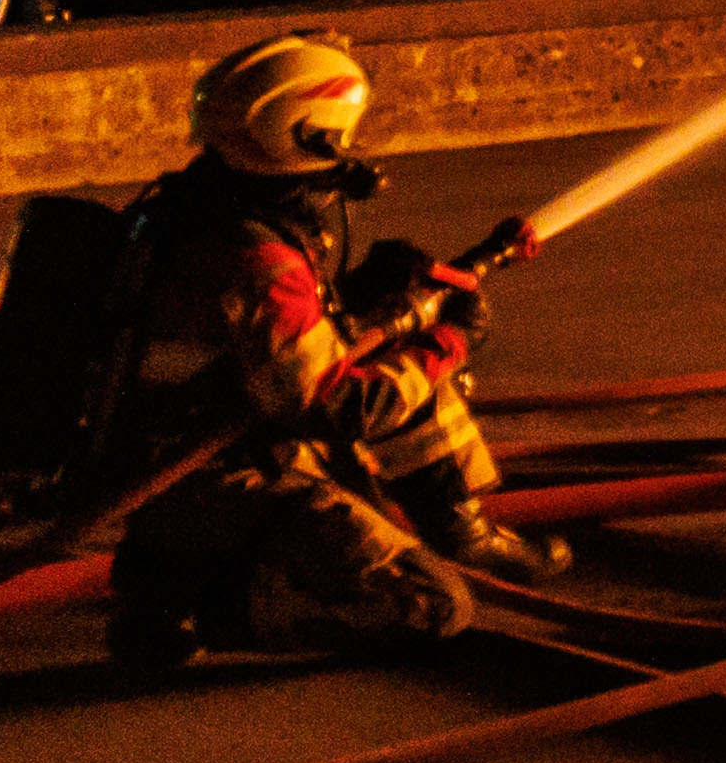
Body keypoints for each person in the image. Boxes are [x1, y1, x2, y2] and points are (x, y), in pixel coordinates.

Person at [100, 33, 562, 669]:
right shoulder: (256, 259)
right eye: (342, 136)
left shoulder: (200, 210)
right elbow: (338, 406)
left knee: (409, 367)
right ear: (308, 136)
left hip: (201, 448)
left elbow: (261, 346)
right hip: (209, 478)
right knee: (433, 606)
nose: (349, 151)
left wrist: (365, 297)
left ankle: (464, 531)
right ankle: (193, 606)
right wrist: (452, 340)